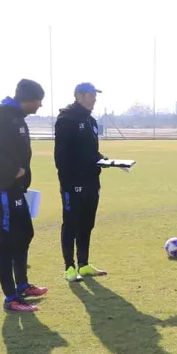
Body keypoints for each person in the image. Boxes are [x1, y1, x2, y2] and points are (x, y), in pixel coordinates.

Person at [0, 79, 49, 312]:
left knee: (25, 233)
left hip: (16, 190)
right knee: (5, 243)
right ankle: (11, 298)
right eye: (38, 101)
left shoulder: (17, 118)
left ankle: (22, 285)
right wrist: (12, 170)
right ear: (28, 99)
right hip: (2, 190)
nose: (40, 105)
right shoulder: (4, 118)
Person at [55, 82, 111, 282]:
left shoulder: (91, 121)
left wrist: (106, 161)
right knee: (71, 223)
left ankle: (84, 264)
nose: (95, 99)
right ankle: (69, 268)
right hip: (73, 183)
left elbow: (91, 152)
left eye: (95, 95)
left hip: (91, 180)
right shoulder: (66, 119)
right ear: (79, 96)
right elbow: (61, 156)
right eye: (91, 95)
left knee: (87, 223)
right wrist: (68, 182)